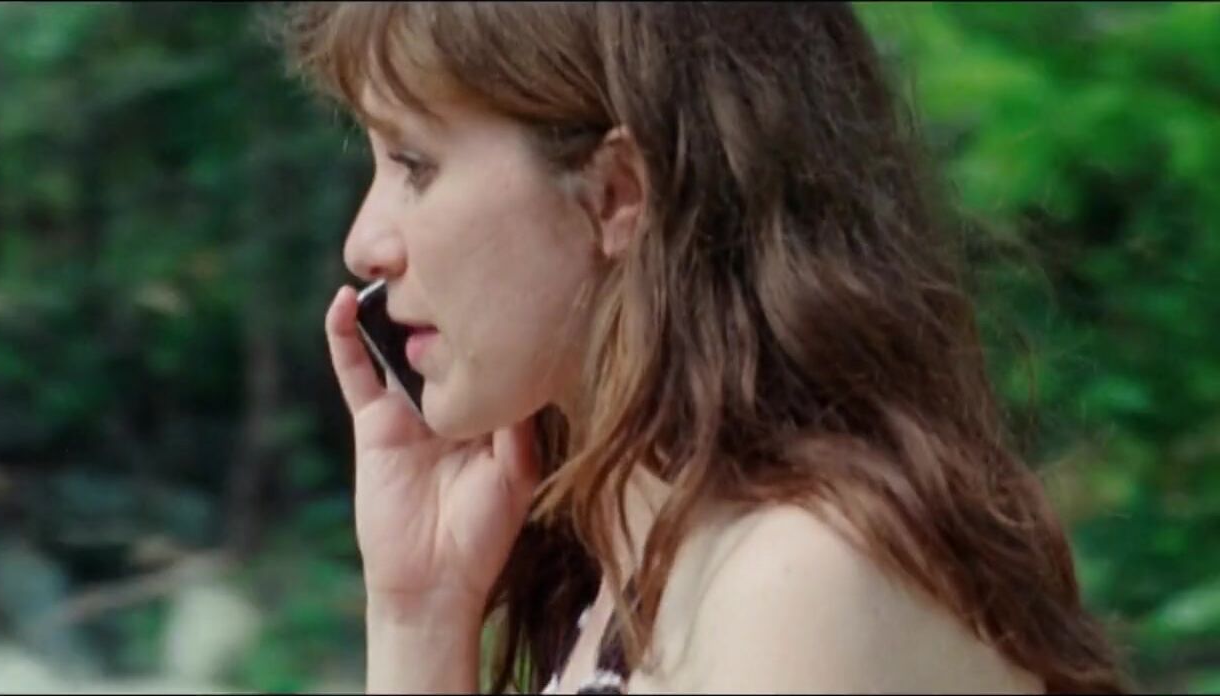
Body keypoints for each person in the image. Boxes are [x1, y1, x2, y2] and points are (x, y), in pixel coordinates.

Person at [284, 2, 1128, 693]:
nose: (365, 244)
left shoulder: (793, 584)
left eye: (414, 165)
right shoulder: (639, 580)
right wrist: (421, 615)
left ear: (616, 194)